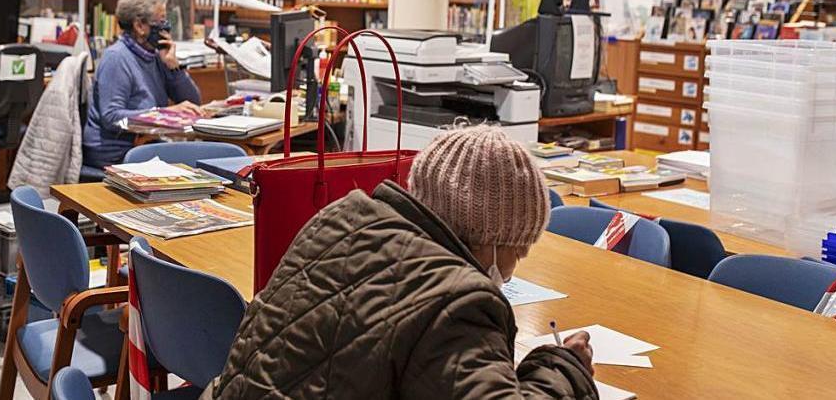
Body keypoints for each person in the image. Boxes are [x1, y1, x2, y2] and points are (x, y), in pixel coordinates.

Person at [202, 125, 597, 399]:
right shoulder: (460, 301)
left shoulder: (340, 219)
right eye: (519, 247)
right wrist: (562, 367)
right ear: (487, 238)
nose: (518, 263)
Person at [82, 0, 203, 168]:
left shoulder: (154, 55)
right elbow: (112, 117)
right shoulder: (116, 58)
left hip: (144, 141)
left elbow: (192, 102)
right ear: (139, 26)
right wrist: (166, 113)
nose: (165, 28)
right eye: (160, 21)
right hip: (115, 151)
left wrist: (173, 66)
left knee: (199, 158)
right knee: (192, 162)